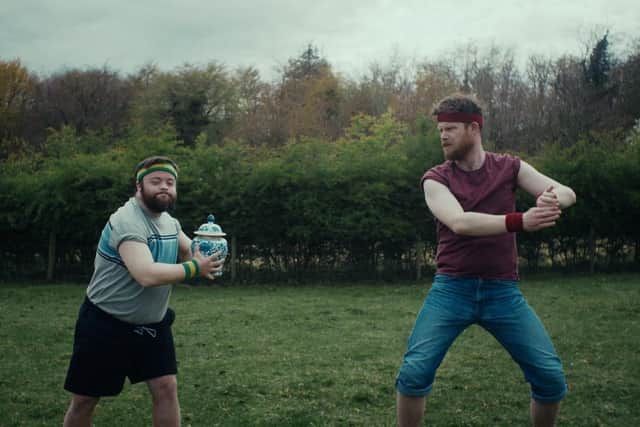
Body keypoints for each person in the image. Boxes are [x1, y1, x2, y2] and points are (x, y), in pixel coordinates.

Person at [395, 93, 576, 427]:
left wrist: (551, 200)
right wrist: (521, 220)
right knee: (414, 373)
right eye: (441, 130)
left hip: (502, 292)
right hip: (451, 291)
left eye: (450, 129)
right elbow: (460, 222)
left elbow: (567, 192)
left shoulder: (509, 167)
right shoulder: (436, 178)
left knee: (550, 378)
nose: (443, 136)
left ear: (473, 128)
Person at [63, 155, 224, 427]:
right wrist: (195, 268)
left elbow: (190, 251)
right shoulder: (126, 220)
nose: (164, 187)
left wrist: (211, 245)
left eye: (170, 183)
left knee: (166, 388)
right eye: (156, 181)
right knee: (84, 401)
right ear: (139, 187)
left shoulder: (169, 222)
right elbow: (146, 274)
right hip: (105, 324)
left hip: (152, 324)